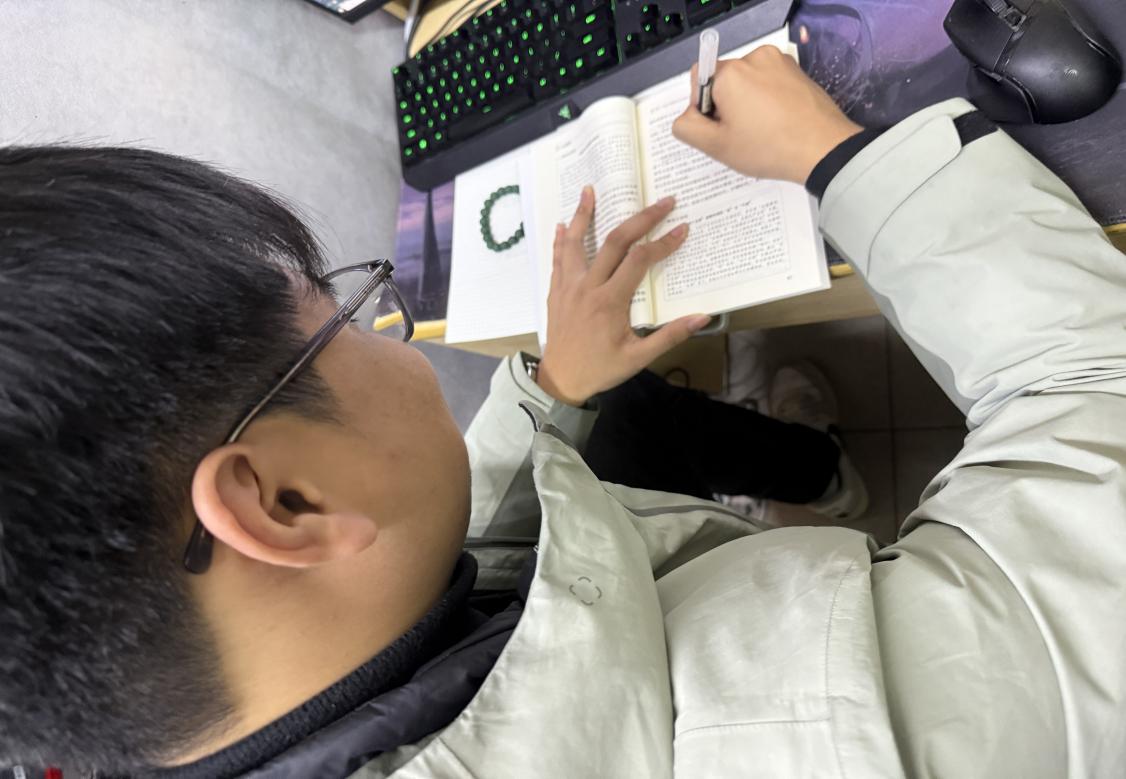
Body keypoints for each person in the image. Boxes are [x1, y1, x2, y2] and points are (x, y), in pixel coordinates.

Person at [1, 44, 1122, 779]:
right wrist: (842, 160)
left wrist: (551, 390)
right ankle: (818, 480)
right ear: (283, 502)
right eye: (338, 315)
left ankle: (812, 475)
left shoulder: (247, 700)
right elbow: (1095, 403)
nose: (376, 325)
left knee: (636, 424)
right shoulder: (841, 733)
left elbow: (427, 562)